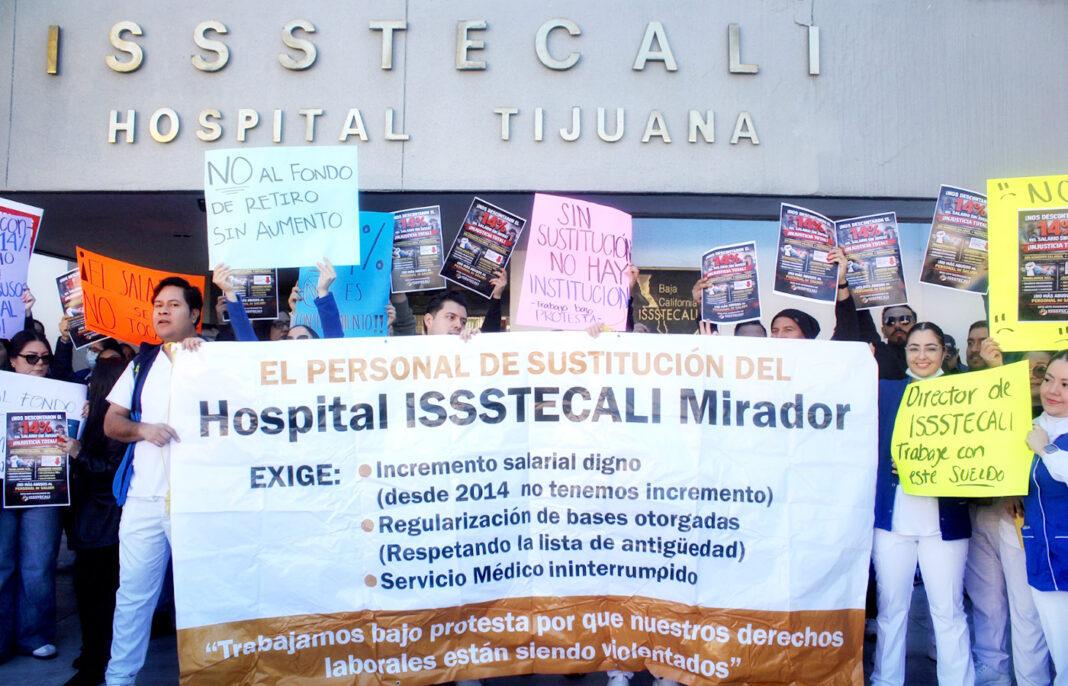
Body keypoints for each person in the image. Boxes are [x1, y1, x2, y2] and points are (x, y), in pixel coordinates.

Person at [103, 277, 203, 686]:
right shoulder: (140, 364)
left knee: (204, 594)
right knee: (133, 594)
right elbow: (112, 422)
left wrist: (207, 351)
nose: (162, 310)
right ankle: (119, 677)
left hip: (200, 502)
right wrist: (143, 429)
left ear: (195, 314)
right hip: (144, 499)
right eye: (158, 304)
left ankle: (208, 672)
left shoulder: (215, 358)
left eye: (173, 305)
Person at [871, 322, 975, 686]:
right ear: (904, 353)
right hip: (893, 519)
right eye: (914, 348)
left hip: (944, 522)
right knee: (890, 610)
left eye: (931, 348)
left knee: (948, 611)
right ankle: (886, 680)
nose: (922, 356)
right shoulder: (886, 391)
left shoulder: (966, 393)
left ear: (944, 352)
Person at [963, 339, 1052, 686]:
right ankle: (994, 669)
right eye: (1027, 367)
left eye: (1043, 369)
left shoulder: (1055, 416)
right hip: (986, 511)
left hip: (1026, 521)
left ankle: (1036, 677)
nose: (1035, 375)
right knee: (988, 599)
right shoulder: (996, 398)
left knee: (1028, 607)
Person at [0, 330, 82, 664]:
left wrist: (84, 411)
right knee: (2, 563)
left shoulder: (63, 392)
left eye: (44, 358)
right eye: (31, 358)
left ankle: (34, 635)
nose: (39, 364)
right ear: (13, 360)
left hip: (43, 487)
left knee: (38, 563)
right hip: (2, 485)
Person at [65, 355, 127, 686]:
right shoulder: (101, 418)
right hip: (95, 521)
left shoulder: (114, 426)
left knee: (95, 596)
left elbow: (110, 470)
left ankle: (95, 660)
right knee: (94, 593)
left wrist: (79, 452)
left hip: (102, 523)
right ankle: (93, 653)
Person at [1022, 349, 1068, 685]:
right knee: (1060, 653)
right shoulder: (1030, 426)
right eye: (1049, 379)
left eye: (1066, 385)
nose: (1052, 390)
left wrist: (1045, 449)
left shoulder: (1040, 439)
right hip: (1044, 555)